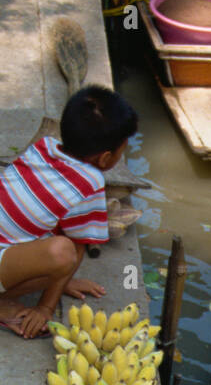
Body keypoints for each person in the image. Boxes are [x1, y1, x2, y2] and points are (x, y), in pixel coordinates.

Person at [0, 86, 138, 340]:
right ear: (106, 158)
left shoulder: (45, 146)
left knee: (57, 232)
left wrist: (61, 280)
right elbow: (77, 245)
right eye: (122, 151)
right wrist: (45, 306)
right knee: (65, 252)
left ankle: (54, 279)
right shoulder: (90, 181)